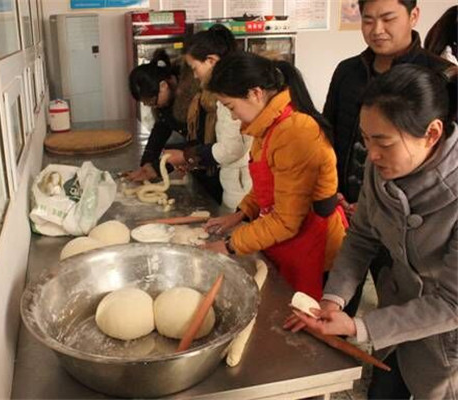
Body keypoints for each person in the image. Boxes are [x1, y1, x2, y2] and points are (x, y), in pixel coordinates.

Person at [285, 64, 458, 399]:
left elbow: (452, 304)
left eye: (384, 142)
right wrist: (333, 299)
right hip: (397, 321)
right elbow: (361, 236)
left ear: (432, 133)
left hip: (445, 339)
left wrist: (359, 326)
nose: (372, 154)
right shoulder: (382, 168)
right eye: (366, 139)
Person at [322, 0, 455, 316]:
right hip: (352, 205)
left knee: (407, 298)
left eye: (388, 18)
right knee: (352, 293)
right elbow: (328, 131)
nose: (377, 30)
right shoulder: (348, 72)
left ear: (413, 15)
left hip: (418, 220)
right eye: (368, 20)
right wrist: (333, 189)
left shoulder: (443, 76)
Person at [202, 52, 347, 300]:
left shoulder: (295, 131)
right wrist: (240, 214)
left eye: (231, 107)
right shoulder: (268, 126)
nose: (234, 117)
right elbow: (267, 186)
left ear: (255, 93)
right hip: (290, 241)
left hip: (315, 250)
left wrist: (230, 245)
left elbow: (286, 221)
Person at [164, 24, 252, 209]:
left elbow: (232, 148)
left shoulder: (230, 93)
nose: (195, 76)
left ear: (211, 61)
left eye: (195, 68)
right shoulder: (216, 94)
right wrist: (194, 159)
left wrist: (187, 156)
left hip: (242, 188)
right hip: (234, 183)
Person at [126, 49, 199, 182]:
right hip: (197, 158)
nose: (152, 106)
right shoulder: (165, 100)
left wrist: (160, 167)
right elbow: (161, 129)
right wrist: (147, 162)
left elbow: (202, 142)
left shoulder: (194, 97)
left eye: (152, 102)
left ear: (163, 86)